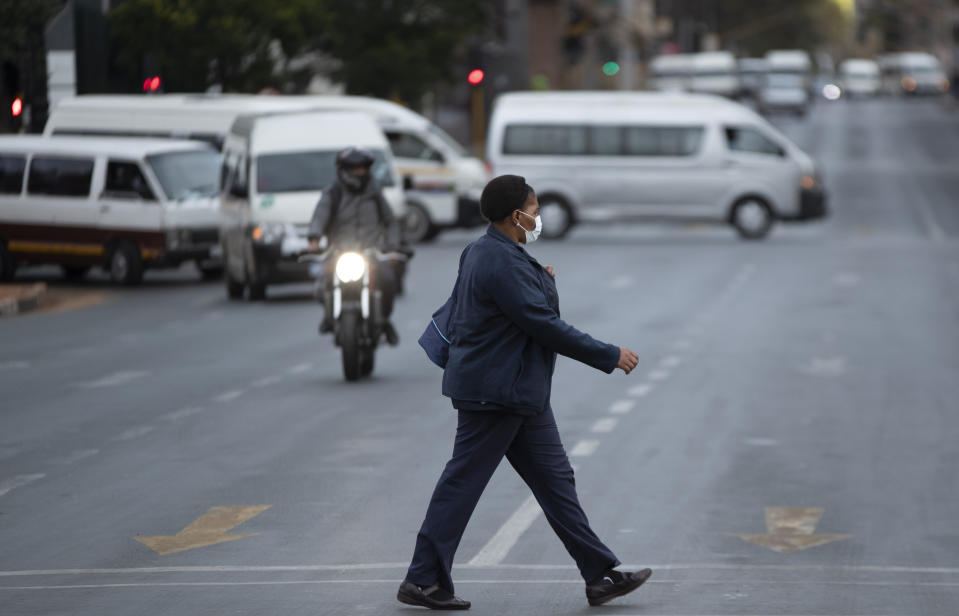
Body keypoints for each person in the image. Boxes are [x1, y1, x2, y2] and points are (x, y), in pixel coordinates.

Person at [398, 175, 650, 610]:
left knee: (556, 484)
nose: (537, 216)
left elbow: (518, 307)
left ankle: (599, 575)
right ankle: (422, 579)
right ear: (515, 215)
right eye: (533, 209)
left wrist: (541, 280)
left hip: (516, 393)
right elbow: (543, 325)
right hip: (495, 394)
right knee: (462, 485)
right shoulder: (503, 263)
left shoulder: (487, 252)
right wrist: (609, 355)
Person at [307, 147, 404, 345]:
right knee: (323, 280)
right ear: (343, 170)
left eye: (363, 168)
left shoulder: (374, 192)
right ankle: (329, 315)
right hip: (339, 252)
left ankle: (385, 320)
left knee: (388, 278)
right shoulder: (332, 192)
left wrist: (393, 246)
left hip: (371, 252)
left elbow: (390, 221)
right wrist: (314, 238)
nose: (360, 172)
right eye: (355, 168)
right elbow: (320, 215)